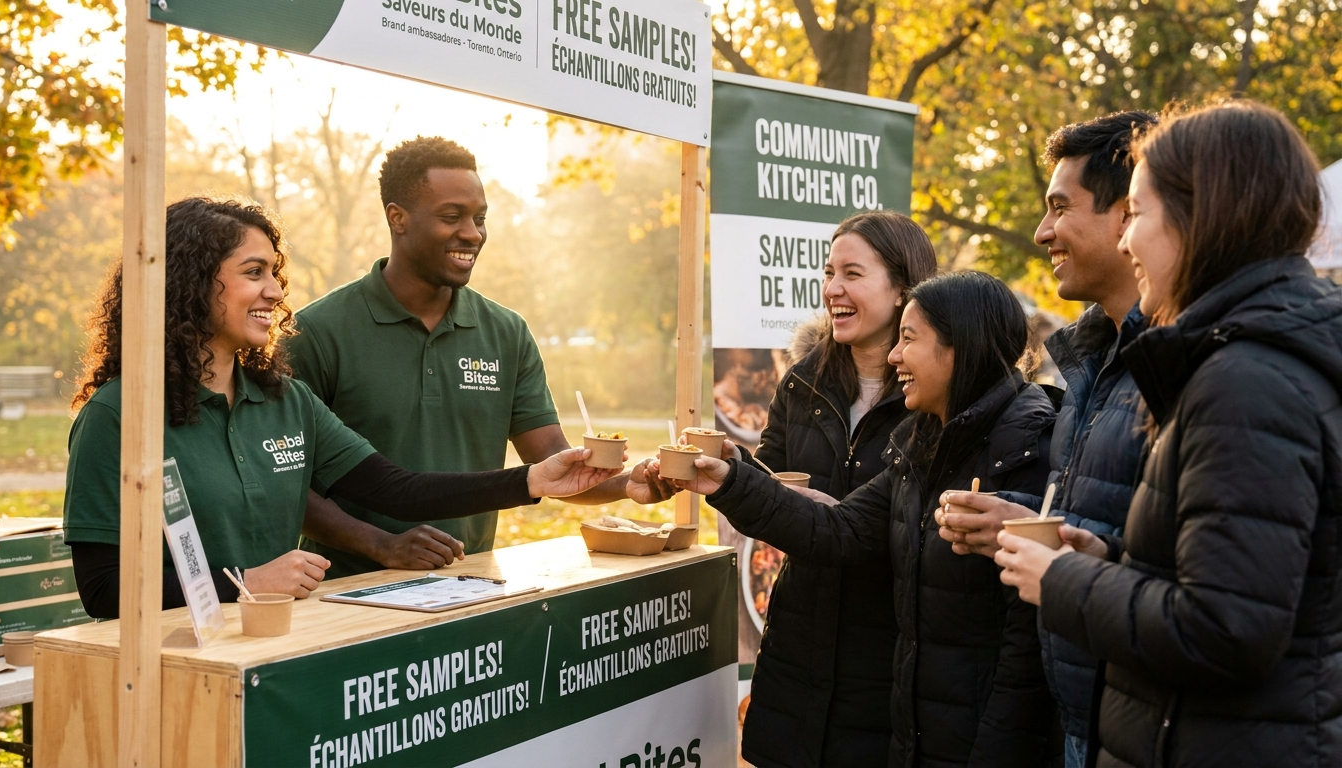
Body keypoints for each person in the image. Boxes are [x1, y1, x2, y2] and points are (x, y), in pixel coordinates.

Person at [63, 197, 621, 619]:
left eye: (273, 274)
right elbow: (102, 590)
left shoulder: (287, 400)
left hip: (278, 658)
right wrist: (244, 583)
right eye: (253, 273)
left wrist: (534, 479)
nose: (276, 293)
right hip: (176, 676)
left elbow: (399, 491)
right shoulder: (119, 415)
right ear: (185, 283)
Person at [995, 100, 1342, 767]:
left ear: (1203, 214)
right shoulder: (1248, 360)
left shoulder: (1245, 380)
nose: (1128, 241)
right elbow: (1243, 574)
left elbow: (1227, 629)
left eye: (1141, 213)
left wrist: (1065, 580)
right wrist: (1113, 559)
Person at [659, 271, 1063, 767]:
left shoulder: (1031, 448)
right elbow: (838, 531)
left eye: (909, 340)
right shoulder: (922, 444)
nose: (895, 357)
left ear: (961, 348)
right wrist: (729, 479)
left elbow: (1027, 658)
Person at [287, 136, 670, 579]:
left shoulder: (506, 332)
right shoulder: (317, 331)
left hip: (469, 585)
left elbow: (551, 461)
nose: (472, 233)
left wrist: (627, 485)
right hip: (344, 592)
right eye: (452, 217)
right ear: (398, 218)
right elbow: (288, 482)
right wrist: (382, 546)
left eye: (480, 218)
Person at [934, 110, 1157, 768]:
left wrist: (1066, 566)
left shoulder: (1186, 367)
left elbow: (1223, 600)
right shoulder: (1095, 360)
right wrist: (1030, 523)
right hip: (1086, 725)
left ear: (1128, 214)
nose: (1042, 232)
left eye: (1060, 208)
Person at [726, 212, 936, 768]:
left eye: (852, 273)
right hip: (797, 650)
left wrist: (832, 519)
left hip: (889, 661)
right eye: (828, 272)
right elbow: (765, 490)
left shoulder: (937, 397)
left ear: (902, 290)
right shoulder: (803, 382)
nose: (832, 290)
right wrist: (730, 470)